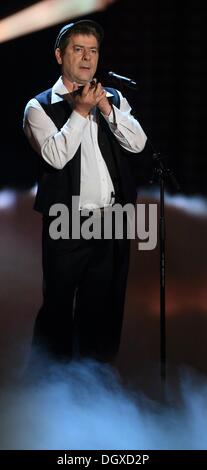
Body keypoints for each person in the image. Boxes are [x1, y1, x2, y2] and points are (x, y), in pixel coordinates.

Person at [23, 19, 147, 363]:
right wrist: (79, 112)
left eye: (93, 51)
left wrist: (105, 108)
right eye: (78, 49)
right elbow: (55, 156)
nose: (87, 58)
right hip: (67, 221)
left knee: (102, 310)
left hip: (111, 220)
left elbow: (138, 144)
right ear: (60, 54)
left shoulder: (113, 98)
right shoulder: (39, 106)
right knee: (58, 309)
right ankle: (49, 387)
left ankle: (94, 388)